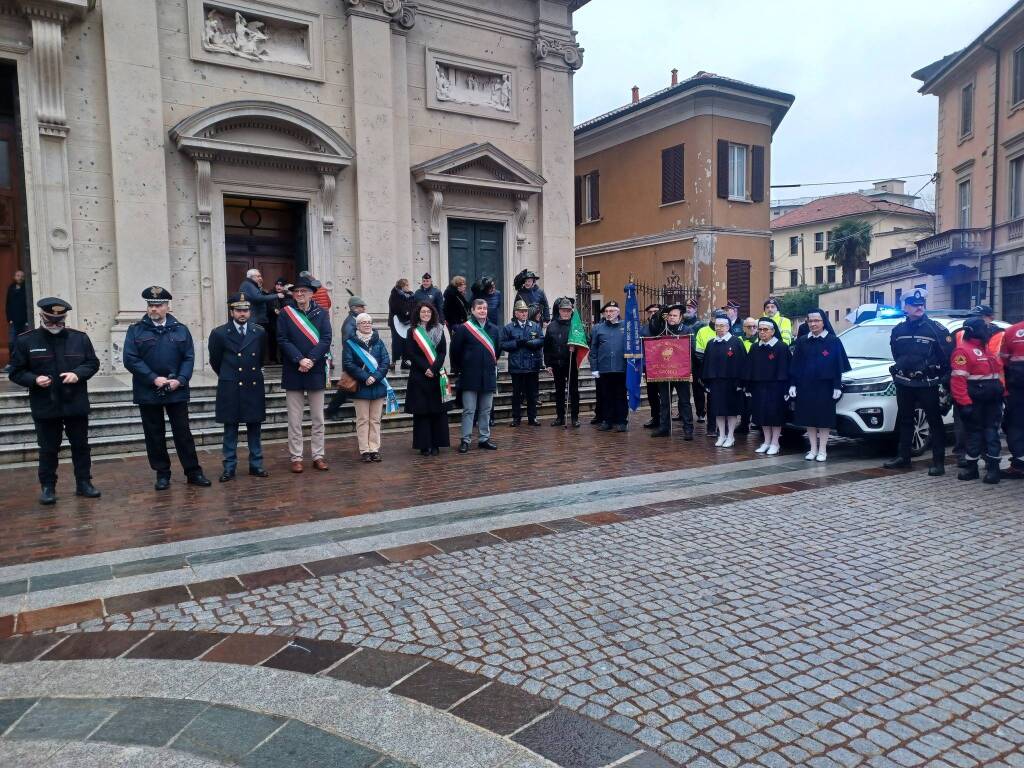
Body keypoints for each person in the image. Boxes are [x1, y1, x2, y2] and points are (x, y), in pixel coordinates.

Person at [10, 297, 100, 503]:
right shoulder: (26, 340)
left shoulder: (80, 338)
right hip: (46, 405)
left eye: (59, 322)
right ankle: (48, 487)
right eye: (50, 321)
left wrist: (78, 374)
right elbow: (15, 372)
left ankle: (84, 483)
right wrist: (34, 379)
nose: (55, 326)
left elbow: (92, 363)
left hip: (75, 402)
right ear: (41, 316)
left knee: (81, 446)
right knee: (49, 449)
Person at [124, 286, 211, 490]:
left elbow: (189, 357)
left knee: (183, 433)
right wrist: (153, 378)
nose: (154, 309)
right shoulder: (136, 330)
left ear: (167, 306)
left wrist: (180, 380)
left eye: (158, 305)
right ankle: (162, 473)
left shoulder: (180, 329)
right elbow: (130, 359)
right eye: (151, 305)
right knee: (154, 434)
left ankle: (193, 472)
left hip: (176, 389)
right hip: (148, 389)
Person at [882, 289, 952, 475]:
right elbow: (896, 354)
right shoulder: (898, 330)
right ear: (905, 307)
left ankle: (938, 462)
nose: (919, 307)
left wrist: (943, 381)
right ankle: (903, 457)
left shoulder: (935, 329)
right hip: (905, 382)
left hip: (927, 384)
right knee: (905, 420)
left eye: (921, 305)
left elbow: (947, 358)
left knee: (935, 422)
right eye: (914, 305)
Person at [208, 293, 268, 482]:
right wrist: (228, 375)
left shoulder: (258, 332)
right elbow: (216, 360)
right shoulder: (219, 333)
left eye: (245, 310)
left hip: (253, 384)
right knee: (230, 429)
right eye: (238, 310)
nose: (242, 313)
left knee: (254, 428)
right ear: (231, 311)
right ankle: (229, 467)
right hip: (231, 385)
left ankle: (256, 465)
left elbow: (261, 358)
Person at [278, 274, 332, 473]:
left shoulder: (322, 313)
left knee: (318, 418)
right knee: (295, 419)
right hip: (294, 370)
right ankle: (296, 457)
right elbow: (282, 339)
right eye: (296, 292)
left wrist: (311, 360)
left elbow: (326, 338)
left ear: (311, 294)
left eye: (303, 291)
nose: (299, 294)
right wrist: (299, 359)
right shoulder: (286, 313)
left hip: (315, 369)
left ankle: (318, 455)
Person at [789, 308, 850, 462]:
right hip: (806, 385)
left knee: (823, 419)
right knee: (809, 418)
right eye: (810, 321)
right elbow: (795, 365)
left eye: (817, 321)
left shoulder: (833, 341)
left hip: (825, 386)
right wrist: (793, 384)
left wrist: (837, 385)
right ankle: (812, 448)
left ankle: (822, 449)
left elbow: (838, 365)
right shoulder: (802, 341)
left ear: (824, 322)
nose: (813, 324)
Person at [951, 317, 1005, 484]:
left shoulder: (987, 350)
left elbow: (999, 375)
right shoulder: (963, 351)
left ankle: (993, 468)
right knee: (974, 435)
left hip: (993, 401)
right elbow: (958, 381)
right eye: (985, 328)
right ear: (974, 331)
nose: (988, 331)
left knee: (992, 434)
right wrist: (964, 403)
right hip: (975, 402)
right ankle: (971, 468)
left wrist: (1004, 393)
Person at [451, 298, 502, 452]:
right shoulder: (464, 329)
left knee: (486, 409)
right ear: (472, 310)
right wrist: (461, 368)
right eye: (479, 308)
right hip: (469, 375)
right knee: (469, 410)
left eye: (485, 308)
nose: (482, 311)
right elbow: (455, 351)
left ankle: (484, 438)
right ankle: (465, 440)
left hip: (488, 375)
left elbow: (497, 350)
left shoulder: (494, 329)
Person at [343, 312, 391, 462]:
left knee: (375, 419)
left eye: (369, 322)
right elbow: (348, 364)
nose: (366, 324)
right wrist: (365, 377)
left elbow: (385, 361)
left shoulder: (378, 341)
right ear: (357, 325)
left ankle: (374, 448)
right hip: (361, 386)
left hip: (378, 386)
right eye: (363, 322)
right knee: (363, 419)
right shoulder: (350, 342)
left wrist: (375, 377)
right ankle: (364, 450)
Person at [406, 302, 450, 455]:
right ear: (418, 313)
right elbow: (411, 353)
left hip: (437, 375)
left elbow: (443, 352)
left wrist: (434, 368)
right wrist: (426, 368)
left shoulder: (439, 329)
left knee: (437, 411)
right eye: (423, 312)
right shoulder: (412, 331)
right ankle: (424, 445)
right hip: (420, 376)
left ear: (433, 313)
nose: (426, 314)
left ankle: (436, 444)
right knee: (422, 412)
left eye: (428, 312)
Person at [646, 303, 695, 440]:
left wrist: (690, 371)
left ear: (680, 318)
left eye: (674, 316)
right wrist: (658, 314)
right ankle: (664, 427)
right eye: (670, 316)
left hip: (681, 372)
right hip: (664, 371)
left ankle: (688, 429)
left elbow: (691, 352)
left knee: (684, 401)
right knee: (664, 401)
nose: (671, 318)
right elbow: (651, 329)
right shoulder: (662, 329)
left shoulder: (687, 330)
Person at [744, 317, 789, 455]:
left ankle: (775, 442)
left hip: (776, 387)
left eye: (765, 330)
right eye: (760, 330)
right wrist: (748, 386)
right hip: (759, 387)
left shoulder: (781, 347)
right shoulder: (755, 347)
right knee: (762, 414)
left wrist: (787, 388)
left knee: (774, 415)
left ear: (773, 331)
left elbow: (786, 370)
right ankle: (766, 441)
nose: (762, 332)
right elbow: (749, 368)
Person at [702, 315, 746, 447]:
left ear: (728, 327)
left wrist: (740, 383)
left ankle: (731, 436)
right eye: (717, 325)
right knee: (718, 411)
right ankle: (721, 435)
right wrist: (707, 383)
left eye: (722, 326)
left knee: (731, 411)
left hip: (732, 384)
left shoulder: (736, 342)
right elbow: (706, 364)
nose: (719, 328)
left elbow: (743, 364)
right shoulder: (711, 343)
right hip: (716, 383)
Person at [501, 298, 544, 426]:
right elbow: (502, 344)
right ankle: (516, 418)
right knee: (517, 394)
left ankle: (533, 418)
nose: (524, 313)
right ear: (516, 313)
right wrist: (516, 343)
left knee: (532, 394)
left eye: (525, 311)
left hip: (531, 366)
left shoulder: (535, 326)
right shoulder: (509, 328)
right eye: (521, 311)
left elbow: (542, 339)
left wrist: (532, 343)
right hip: (517, 366)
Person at [325, 295, 368, 421]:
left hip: (358, 360)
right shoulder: (350, 323)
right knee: (346, 388)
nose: (363, 309)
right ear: (354, 308)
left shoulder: (356, 321)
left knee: (352, 388)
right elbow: (349, 343)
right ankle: (331, 410)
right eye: (361, 307)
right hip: (353, 361)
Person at [590, 300, 628, 432]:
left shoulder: (626, 326)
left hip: (620, 367)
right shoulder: (598, 328)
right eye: (606, 311)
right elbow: (593, 349)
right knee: (606, 396)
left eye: (611, 311)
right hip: (604, 368)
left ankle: (622, 421)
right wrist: (594, 368)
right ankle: (607, 420)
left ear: (618, 312)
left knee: (621, 395)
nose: (608, 313)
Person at [544, 297, 581, 427]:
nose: (566, 313)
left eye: (568, 310)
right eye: (563, 310)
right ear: (559, 311)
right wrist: (548, 364)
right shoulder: (552, 326)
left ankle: (575, 418)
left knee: (574, 391)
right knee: (559, 391)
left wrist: (575, 346)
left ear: (571, 311)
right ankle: (560, 417)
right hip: (556, 364)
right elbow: (547, 347)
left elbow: (585, 341)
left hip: (571, 363)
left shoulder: (576, 325)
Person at [999, 315, 1024, 479]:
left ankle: (1019, 465)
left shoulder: (1012, 331)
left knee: (1015, 425)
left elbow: (1003, 361)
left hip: (1017, 388)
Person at [694, 312, 724, 434]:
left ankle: (723, 429)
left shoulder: (727, 331)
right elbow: (698, 352)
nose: (718, 323)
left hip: (723, 374)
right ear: (711, 318)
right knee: (711, 401)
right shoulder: (703, 331)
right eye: (716, 318)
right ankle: (711, 428)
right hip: (708, 371)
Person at [681, 298, 707, 422]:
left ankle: (701, 412)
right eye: (687, 306)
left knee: (698, 388)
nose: (688, 308)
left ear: (695, 309)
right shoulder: (681, 324)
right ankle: (681, 413)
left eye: (691, 307)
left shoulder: (701, 325)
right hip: (681, 359)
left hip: (696, 359)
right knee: (681, 387)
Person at [238, 269, 283, 338]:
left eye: (260, 276)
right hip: (255, 320)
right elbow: (258, 298)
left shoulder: (251, 285)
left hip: (258, 319)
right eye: (258, 276)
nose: (260, 278)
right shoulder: (248, 285)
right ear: (252, 277)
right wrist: (277, 295)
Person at [640, 303, 663, 429]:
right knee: (652, 393)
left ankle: (665, 417)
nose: (653, 314)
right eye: (651, 312)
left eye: (656, 311)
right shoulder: (644, 329)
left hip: (665, 366)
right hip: (650, 366)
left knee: (664, 394)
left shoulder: (664, 326)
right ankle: (655, 417)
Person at [736, 317, 759, 434]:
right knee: (743, 401)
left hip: (756, 376)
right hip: (742, 375)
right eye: (749, 326)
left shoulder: (760, 341)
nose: (752, 329)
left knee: (754, 401)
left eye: (754, 326)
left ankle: (757, 423)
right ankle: (744, 424)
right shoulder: (738, 340)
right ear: (744, 328)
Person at [388, 278, 415, 370]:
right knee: (396, 342)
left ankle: (405, 361)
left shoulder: (410, 295)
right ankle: (394, 362)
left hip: (407, 322)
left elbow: (413, 306)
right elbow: (395, 308)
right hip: (397, 322)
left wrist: (410, 314)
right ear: (402, 286)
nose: (408, 287)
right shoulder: (394, 295)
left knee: (407, 341)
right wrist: (406, 313)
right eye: (406, 285)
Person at [5, 269, 27, 372]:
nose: (20, 278)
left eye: (22, 276)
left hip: (25, 321)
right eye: (18, 275)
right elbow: (8, 304)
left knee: (24, 342)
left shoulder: (26, 288)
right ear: (14, 277)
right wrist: (9, 318)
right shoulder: (11, 288)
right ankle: (12, 363)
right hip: (14, 321)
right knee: (12, 343)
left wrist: (28, 319)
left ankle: (24, 363)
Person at [265, 277, 289, 364]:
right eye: (277, 285)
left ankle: (284, 359)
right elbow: (268, 305)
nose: (278, 287)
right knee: (272, 341)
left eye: (281, 285)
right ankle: (273, 359)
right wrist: (273, 310)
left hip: (284, 322)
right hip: (272, 321)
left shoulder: (288, 295)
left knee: (284, 341)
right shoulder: (270, 294)